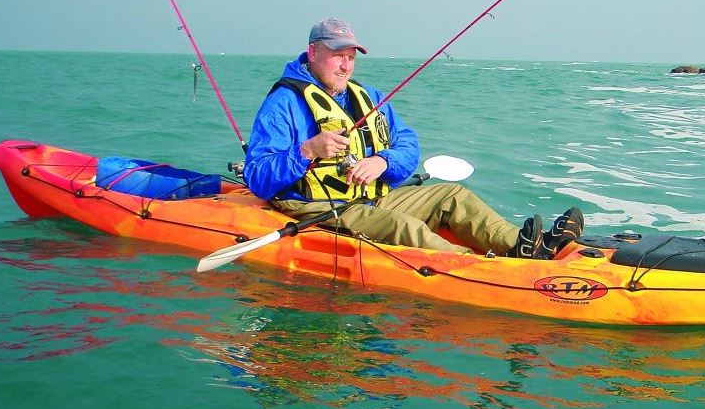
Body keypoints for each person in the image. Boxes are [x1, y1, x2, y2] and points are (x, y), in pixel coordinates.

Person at [244, 17, 583, 259]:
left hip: (369, 197)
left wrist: (382, 161)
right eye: (337, 56)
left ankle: (520, 246)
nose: (346, 66)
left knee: (454, 196)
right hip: (315, 206)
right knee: (401, 225)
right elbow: (258, 177)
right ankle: (480, 266)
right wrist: (307, 150)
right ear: (313, 52)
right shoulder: (283, 103)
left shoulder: (369, 96)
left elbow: (408, 145)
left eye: (350, 57)